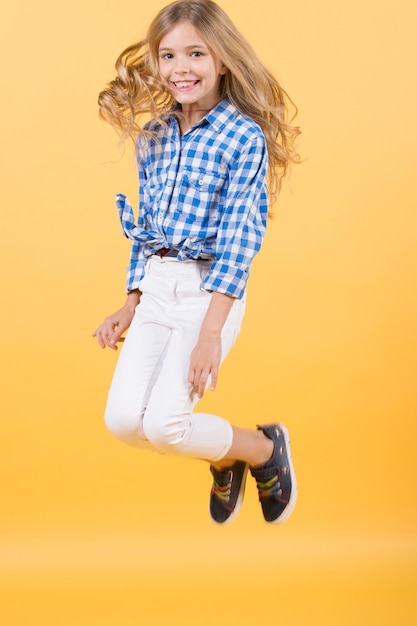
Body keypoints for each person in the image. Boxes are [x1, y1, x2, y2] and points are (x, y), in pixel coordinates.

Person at [93, 0, 300, 525]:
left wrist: (212, 332)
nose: (180, 68)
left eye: (195, 53)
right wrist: (131, 302)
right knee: (121, 422)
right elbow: (147, 231)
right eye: (168, 55)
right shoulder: (156, 134)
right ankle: (230, 453)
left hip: (210, 294)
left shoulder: (241, 137)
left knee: (166, 426)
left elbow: (238, 242)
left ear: (222, 59)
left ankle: (259, 449)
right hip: (158, 287)